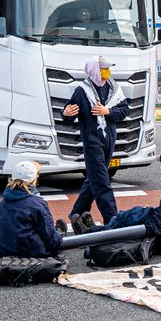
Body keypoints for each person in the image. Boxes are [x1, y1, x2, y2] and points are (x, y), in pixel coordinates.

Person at [70, 147, 161, 255]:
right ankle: (98, 230)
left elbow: (156, 227)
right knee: (139, 214)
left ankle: (91, 235)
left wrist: (136, 222)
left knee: (129, 218)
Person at [63, 55, 129, 227]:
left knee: (95, 178)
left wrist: (108, 111)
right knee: (101, 181)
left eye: (107, 68)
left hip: (109, 140)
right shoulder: (82, 91)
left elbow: (124, 111)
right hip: (92, 141)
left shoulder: (114, 89)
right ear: (94, 70)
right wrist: (66, 113)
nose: (107, 71)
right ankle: (112, 220)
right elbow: (69, 112)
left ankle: (77, 213)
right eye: (103, 68)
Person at [0, 161, 64, 260]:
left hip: (2, 251)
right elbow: (48, 235)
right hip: (29, 251)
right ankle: (59, 234)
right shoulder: (37, 204)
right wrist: (58, 242)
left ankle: (58, 233)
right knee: (53, 238)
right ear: (34, 179)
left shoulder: (2, 203)